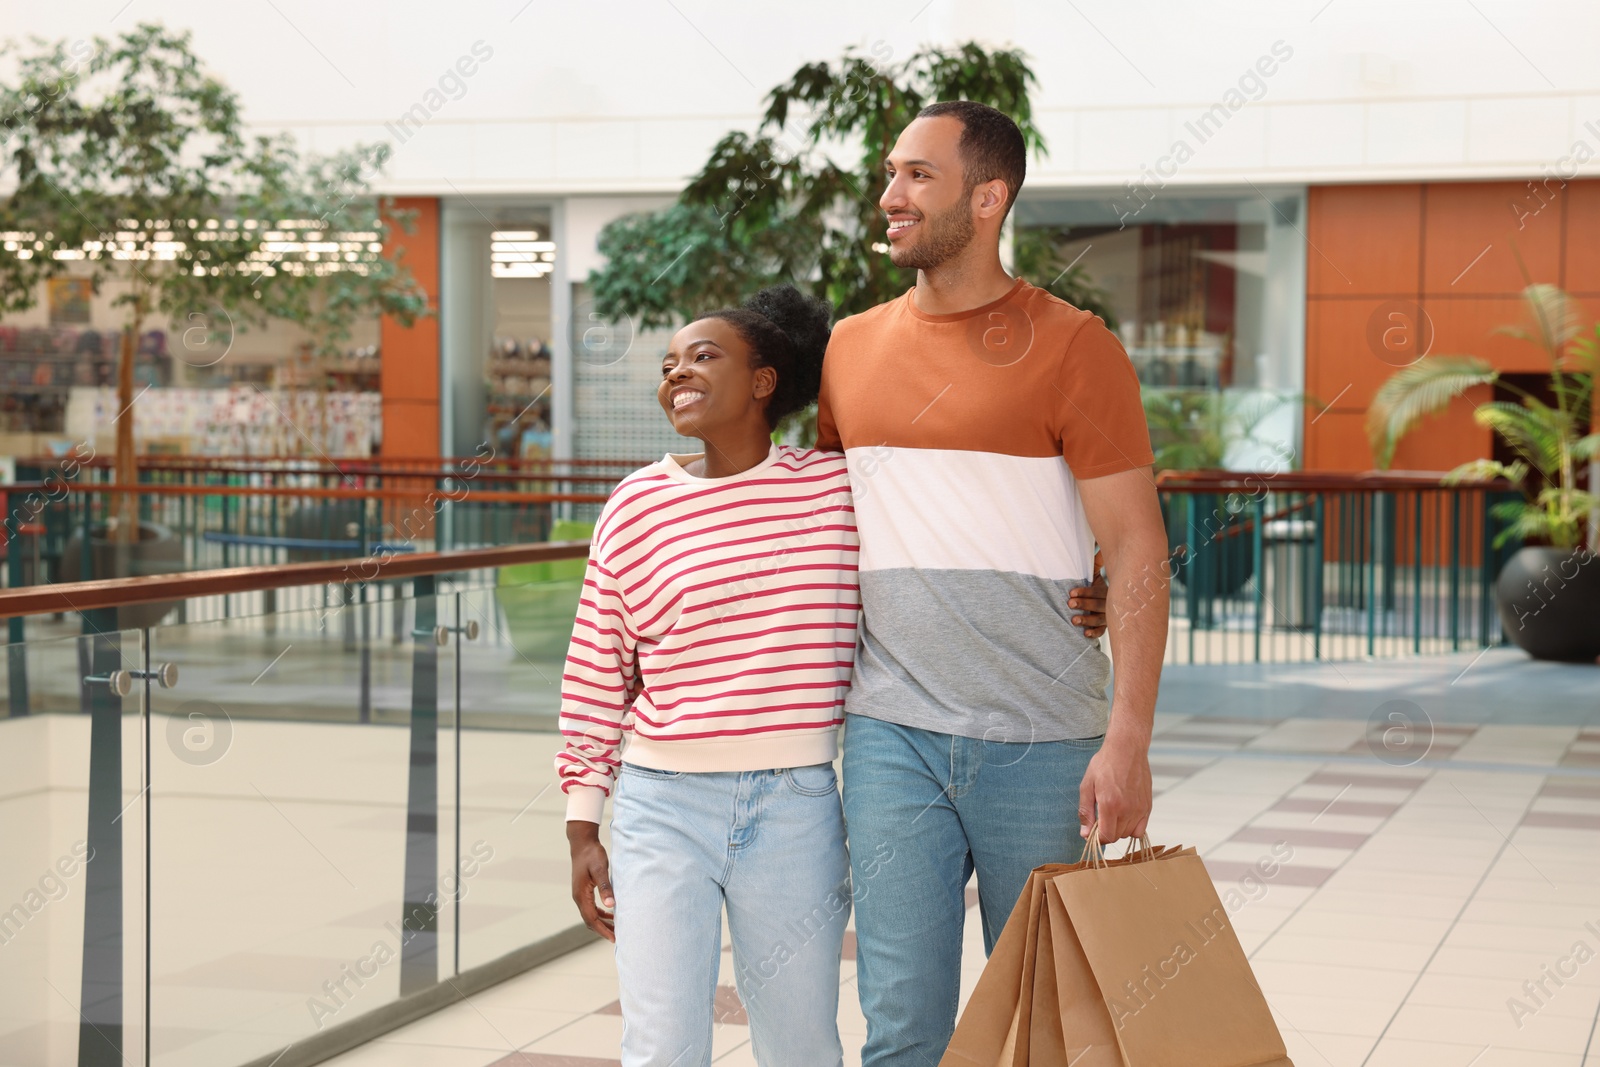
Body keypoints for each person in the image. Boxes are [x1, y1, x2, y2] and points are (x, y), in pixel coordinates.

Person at [557, 284, 1112, 1066]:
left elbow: (956, 511)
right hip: (660, 804)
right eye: (668, 363)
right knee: (659, 1044)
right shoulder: (634, 505)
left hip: (795, 807)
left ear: (763, 382)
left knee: (801, 1045)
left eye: (703, 356)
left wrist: (1091, 577)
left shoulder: (833, 489)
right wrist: (584, 818)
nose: (677, 372)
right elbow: (594, 666)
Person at [815, 100, 1170, 1064]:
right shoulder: (846, 349)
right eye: (890, 173)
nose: (889, 196)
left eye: (916, 177)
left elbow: (1137, 549)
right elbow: (819, 525)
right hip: (891, 735)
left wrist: (1127, 740)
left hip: (1044, 740)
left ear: (987, 198)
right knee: (900, 1027)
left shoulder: (1074, 345)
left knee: (1051, 1028)